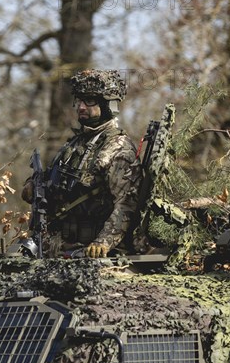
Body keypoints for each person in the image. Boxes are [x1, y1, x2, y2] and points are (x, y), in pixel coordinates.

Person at [22, 69, 142, 258]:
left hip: (90, 252)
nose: (81, 107)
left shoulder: (118, 149)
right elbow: (59, 184)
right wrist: (33, 185)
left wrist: (103, 242)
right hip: (57, 248)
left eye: (90, 100)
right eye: (79, 100)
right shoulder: (77, 143)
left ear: (108, 104)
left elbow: (127, 203)